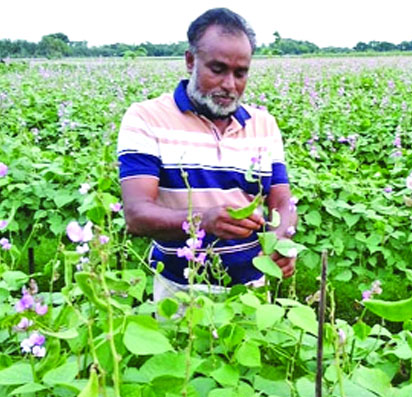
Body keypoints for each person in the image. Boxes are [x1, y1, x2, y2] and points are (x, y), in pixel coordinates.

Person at [117, 8, 297, 303]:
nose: (230, 85)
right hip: (180, 291)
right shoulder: (146, 118)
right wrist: (201, 221)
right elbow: (136, 215)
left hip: (252, 290)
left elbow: (283, 201)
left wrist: (282, 238)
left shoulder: (264, 124)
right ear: (190, 61)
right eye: (217, 69)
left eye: (240, 74)